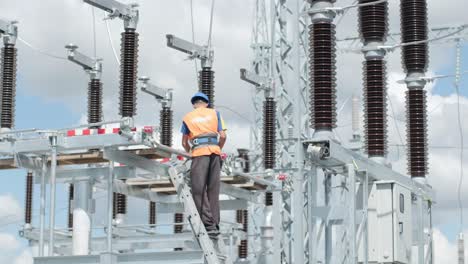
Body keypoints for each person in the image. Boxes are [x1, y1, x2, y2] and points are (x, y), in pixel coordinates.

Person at [181, 92, 227, 239]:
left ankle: (208, 225)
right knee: (213, 190)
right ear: (206, 103)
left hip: (199, 154)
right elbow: (223, 135)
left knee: (198, 190)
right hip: (215, 152)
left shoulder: (188, 117)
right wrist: (218, 148)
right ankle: (215, 224)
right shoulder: (216, 114)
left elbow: (184, 143)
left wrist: (191, 154)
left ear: (194, 104)